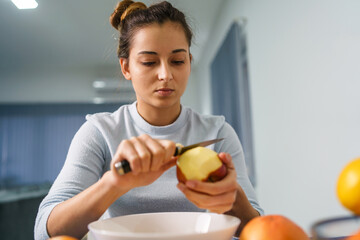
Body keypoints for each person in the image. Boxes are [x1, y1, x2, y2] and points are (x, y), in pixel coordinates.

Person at [34, 1, 263, 239]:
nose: (166, 75)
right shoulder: (99, 132)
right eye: (149, 62)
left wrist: (233, 198)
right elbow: (44, 231)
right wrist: (113, 184)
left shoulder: (219, 133)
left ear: (189, 62)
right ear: (126, 67)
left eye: (177, 61)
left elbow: (259, 228)